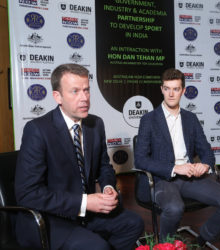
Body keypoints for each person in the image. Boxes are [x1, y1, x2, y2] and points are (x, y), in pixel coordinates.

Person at [15, 63, 144, 250]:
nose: (84, 98)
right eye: (75, 91)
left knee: (134, 223)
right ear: (57, 96)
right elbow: (27, 194)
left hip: (86, 213)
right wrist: (85, 202)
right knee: (97, 246)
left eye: (86, 90)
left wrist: (108, 186)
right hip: (51, 218)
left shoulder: (95, 124)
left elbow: (104, 166)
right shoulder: (38, 130)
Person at [134, 68, 220, 246]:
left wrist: (205, 165)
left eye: (175, 89)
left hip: (191, 177)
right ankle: (165, 246)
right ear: (161, 89)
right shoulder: (149, 120)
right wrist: (174, 168)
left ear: (183, 91)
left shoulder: (191, 119)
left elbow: (206, 150)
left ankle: (199, 242)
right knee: (175, 208)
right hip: (163, 179)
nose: (171, 94)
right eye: (167, 88)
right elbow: (140, 159)